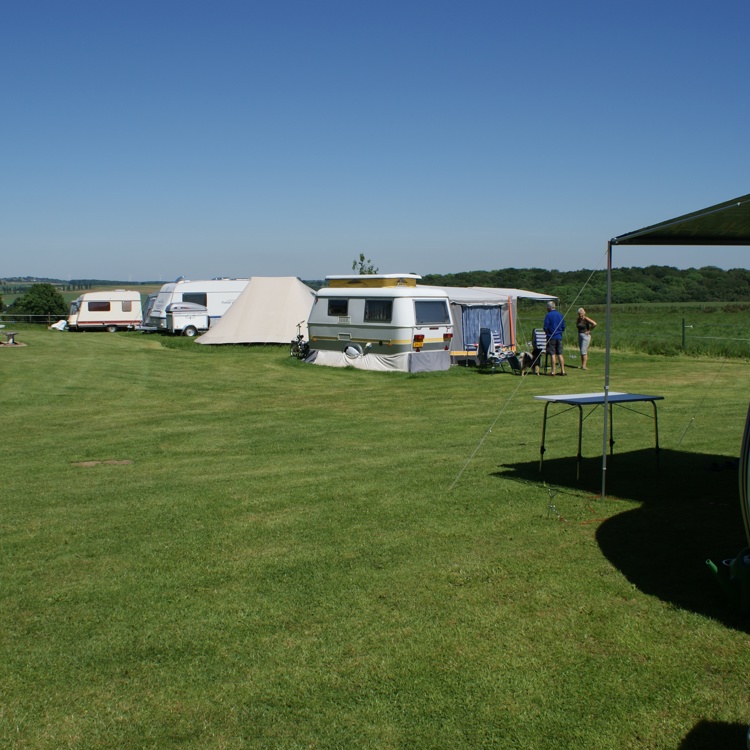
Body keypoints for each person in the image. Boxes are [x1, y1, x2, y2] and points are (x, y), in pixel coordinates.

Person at [543, 301, 566, 376]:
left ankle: (553, 371)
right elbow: (563, 326)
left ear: (549, 308)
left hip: (551, 336)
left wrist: (547, 332)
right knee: (560, 353)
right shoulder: (560, 315)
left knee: (552, 353)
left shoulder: (548, 315)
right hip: (559, 336)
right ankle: (563, 370)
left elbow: (545, 327)